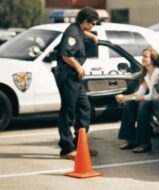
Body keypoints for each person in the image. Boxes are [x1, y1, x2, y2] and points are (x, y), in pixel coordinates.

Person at [55, 7, 99, 160]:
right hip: (68, 76)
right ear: (85, 21)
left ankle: (80, 145)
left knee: (85, 108)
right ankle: (66, 149)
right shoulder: (72, 32)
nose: (94, 26)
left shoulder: (78, 30)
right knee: (68, 111)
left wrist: (91, 36)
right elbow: (65, 54)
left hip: (75, 78)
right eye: (93, 24)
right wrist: (78, 66)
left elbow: (81, 34)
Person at [115, 48, 159, 153]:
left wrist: (129, 97)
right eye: (142, 56)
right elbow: (140, 93)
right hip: (152, 99)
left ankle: (144, 143)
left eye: (145, 56)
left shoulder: (157, 72)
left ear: (153, 59)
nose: (143, 59)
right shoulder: (146, 73)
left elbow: (152, 96)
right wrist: (125, 97)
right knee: (130, 104)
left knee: (143, 106)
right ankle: (130, 140)